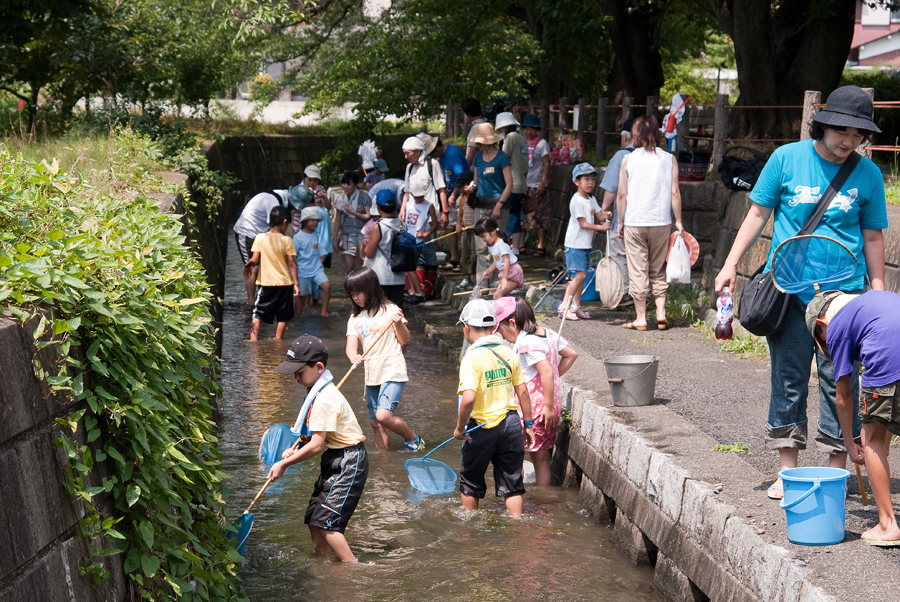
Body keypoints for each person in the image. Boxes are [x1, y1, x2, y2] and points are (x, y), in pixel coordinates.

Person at [713, 85, 886, 501]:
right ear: (823, 123)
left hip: (844, 299)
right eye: (841, 130)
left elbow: (874, 237)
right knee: (788, 379)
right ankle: (787, 470)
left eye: (858, 134)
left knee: (839, 382)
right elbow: (757, 213)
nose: (848, 140)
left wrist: (877, 291)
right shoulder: (786, 158)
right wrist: (730, 263)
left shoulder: (868, 174)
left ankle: (836, 469)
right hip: (789, 289)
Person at [808, 290, 900, 544]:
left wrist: (850, 443)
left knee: (871, 439)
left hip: (888, 359)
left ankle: (887, 525)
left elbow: (843, 397)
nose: (824, 347)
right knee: (880, 435)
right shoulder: (871, 302)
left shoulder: (836, 326)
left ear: (821, 323)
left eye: (820, 340)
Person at [269, 335, 368, 562]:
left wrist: (284, 463)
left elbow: (316, 445)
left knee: (327, 523)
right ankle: (325, 564)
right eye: (294, 374)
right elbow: (312, 436)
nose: (296, 378)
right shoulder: (315, 391)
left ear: (319, 367)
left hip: (349, 460)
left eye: (300, 372)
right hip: (334, 457)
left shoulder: (324, 398)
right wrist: (297, 448)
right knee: (313, 519)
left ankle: (352, 569)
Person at [455, 298, 534, 515]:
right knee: (512, 484)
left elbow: (469, 398)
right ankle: (516, 524)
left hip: (481, 427)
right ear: (494, 327)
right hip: (510, 424)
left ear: (467, 327)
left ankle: (468, 527)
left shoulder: (471, 359)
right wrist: (527, 424)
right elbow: (523, 392)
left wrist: (460, 428)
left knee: (470, 482)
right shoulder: (508, 353)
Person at [494, 297, 578, 486]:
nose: (503, 337)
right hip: (549, 406)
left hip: (532, 410)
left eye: (501, 331)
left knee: (514, 455)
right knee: (541, 460)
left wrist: (547, 404)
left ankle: (516, 497)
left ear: (512, 323)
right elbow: (571, 354)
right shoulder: (548, 334)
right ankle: (542, 502)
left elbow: (546, 371)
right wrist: (552, 381)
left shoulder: (527, 344)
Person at [344, 267, 424, 452]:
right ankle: (383, 463)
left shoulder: (390, 310)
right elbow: (351, 346)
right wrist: (353, 356)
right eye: (352, 295)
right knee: (375, 423)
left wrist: (397, 323)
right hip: (372, 374)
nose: (355, 298)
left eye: (358, 293)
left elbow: (405, 340)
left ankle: (413, 438)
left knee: (383, 415)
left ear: (371, 289)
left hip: (392, 369)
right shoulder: (355, 318)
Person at [616, 115, 684, 331]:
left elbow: (621, 194)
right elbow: (675, 192)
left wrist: (620, 222)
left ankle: (641, 318)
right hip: (661, 222)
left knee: (638, 270)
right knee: (658, 269)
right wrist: (679, 221)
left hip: (635, 222)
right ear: (657, 133)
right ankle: (661, 314)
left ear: (635, 135)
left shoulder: (628, 159)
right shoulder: (669, 159)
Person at [561, 163, 611, 321]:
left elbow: (600, 216)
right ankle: (564, 306)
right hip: (575, 244)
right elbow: (583, 224)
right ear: (576, 181)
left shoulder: (591, 198)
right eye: (586, 179)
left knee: (580, 276)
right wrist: (601, 227)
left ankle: (575, 307)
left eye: (592, 179)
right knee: (580, 276)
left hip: (584, 244)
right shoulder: (577, 201)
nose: (590, 182)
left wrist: (606, 214)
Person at [245, 205, 299, 341]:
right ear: (285, 222)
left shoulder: (260, 237)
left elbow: (254, 259)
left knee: (257, 314)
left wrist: (247, 265)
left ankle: (253, 341)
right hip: (285, 283)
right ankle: (278, 340)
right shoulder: (287, 240)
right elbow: (292, 263)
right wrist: (296, 284)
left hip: (266, 283)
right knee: (283, 316)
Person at [471, 122, 513, 284]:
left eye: (479, 142)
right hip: (480, 205)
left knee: (497, 245)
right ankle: (481, 284)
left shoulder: (502, 157)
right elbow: (476, 180)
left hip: (498, 206)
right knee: (481, 247)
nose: (477, 145)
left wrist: (499, 205)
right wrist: (470, 187)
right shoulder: (477, 158)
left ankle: (497, 283)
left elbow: (509, 184)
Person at [598, 117, 635, 306]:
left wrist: (603, 210)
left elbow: (611, 189)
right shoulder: (653, 157)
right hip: (649, 219)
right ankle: (643, 294)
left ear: (625, 136)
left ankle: (626, 292)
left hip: (624, 217)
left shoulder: (621, 156)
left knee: (618, 254)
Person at [233, 187, 291, 305]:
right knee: (253, 269)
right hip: (246, 233)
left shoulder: (280, 197)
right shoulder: (273, 203)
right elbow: (276, 229)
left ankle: (263, 299)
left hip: (260, 234)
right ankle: (251, 302)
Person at [363, 189, 408, 308]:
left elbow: (369, 253)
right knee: (396, 313)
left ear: (377, 206)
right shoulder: (403, 226)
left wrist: (367, 243)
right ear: (395, 205)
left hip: (381, 277)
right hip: (399, 276)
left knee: (379, 313)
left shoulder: (378, 227)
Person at [431, 138, 469, 271]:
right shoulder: (441, 156)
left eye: (432, 152)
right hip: (450, 191)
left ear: (438, 148)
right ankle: (454, 257)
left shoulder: (452, 155)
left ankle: (464, 260)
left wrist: (453, 195)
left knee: (461, 227)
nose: (432, 156)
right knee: (448, 226)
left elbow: (462, 176)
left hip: (461, 191)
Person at [495, 112, 529, 253]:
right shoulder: (522, 137)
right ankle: (515, 249)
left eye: (502, 128)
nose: (501, 131)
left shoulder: (510, 137)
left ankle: (503, 248)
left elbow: (503, 156)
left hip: (512, 183)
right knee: (515, 214)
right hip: (521, 183)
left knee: (504, 215)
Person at [521, 114, 552, 257]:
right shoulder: (522, 143)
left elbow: (546, 162)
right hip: (524, 183)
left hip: (536, 183)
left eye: (532, 129)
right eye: (526, 129)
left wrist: (543, 181)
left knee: (540, 215)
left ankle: (541, 244)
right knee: (524, 214)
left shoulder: (541, 143)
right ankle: (520, 243)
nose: (529, 132)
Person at [400, 136, 448, 229]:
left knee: (429, 242)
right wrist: (402, 210)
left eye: (408, 153)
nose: (405, 157)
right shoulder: (409, 168)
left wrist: (445, 212)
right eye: (404, 154)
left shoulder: (432, 164)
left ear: (418, 151)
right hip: (412, 216)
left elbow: (441, 189)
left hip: (429, 217)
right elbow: (407, 192)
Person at [404, 178, 439, 304]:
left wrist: (425, 234)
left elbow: (435, 224)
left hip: (418, 242)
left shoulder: (429, 206)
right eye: (416, 197)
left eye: (420, 196)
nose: (418, 199)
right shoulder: (408, 204)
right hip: (406, 240)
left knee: (411, 267)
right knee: (409, 268)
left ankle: (419, 292)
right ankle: (414, 291)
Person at [293, 207, 331, 316]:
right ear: (304, 221)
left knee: (327, 286)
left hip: (317, 269)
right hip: (303, 272)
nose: (315, 223)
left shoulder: (316, 234)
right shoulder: (297, 238)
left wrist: (322, 258)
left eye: (316, 220)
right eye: (312, 220)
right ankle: (298, 316)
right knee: (301, 297)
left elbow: (318, 247)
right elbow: (292, 258)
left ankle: (324, 311)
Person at [474, 216, 524, 300]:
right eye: (481, 237)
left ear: (493, 231)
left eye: (484, 236)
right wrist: (488, 271)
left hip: (513, 273)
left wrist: (504, 279)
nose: (483, 239)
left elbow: (506, 262)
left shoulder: (501, 245)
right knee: (500, 296)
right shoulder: (493, 246)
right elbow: (497, 261)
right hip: (507, 273)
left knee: (497, 296)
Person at [332, 171, 372, 275]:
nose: (345, 186)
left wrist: (353, 212)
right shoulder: (340, 198)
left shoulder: (364, 197)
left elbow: (368, 216)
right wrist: (335, 239)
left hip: (362, 235)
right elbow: (337, 220)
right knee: (349, 268)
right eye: (343, 183)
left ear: (355, 184)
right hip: (346, 235)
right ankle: (350, 289)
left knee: (366, 265)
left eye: (348, 184)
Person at [452, 172, 478, 289]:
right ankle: (466, 278)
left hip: (476, 230)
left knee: (475, 255)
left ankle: (478, 279)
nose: (459, 189)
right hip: (466, 229)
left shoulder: (476, 196)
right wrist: (458, 223)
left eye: (461, 186)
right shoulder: (463, 198)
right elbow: (461, 211)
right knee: (465, 254)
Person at [462, 97, 487, 166]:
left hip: (476, 167)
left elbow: (472, 151)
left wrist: (465, 168)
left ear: (468, 115)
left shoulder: (476, 128)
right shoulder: (488, 124)